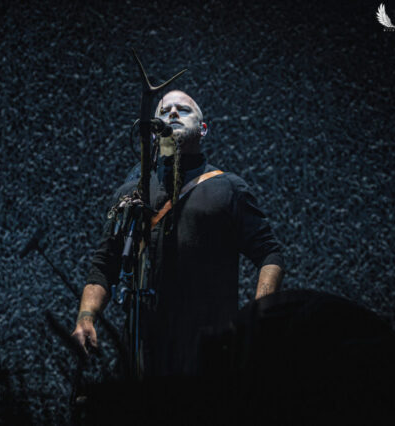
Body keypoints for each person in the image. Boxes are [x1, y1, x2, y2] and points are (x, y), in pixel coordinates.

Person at [72, 90, 285, 377]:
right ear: (152, 130)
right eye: (164, 111)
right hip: (142, 353)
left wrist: (258, 316)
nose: (172, 113)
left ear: (203, 129)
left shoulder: (229, 188)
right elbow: (103, 266)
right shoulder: (130, 193)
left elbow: (270, 253)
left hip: (209, 353)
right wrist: (86, 317)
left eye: (183, 110)